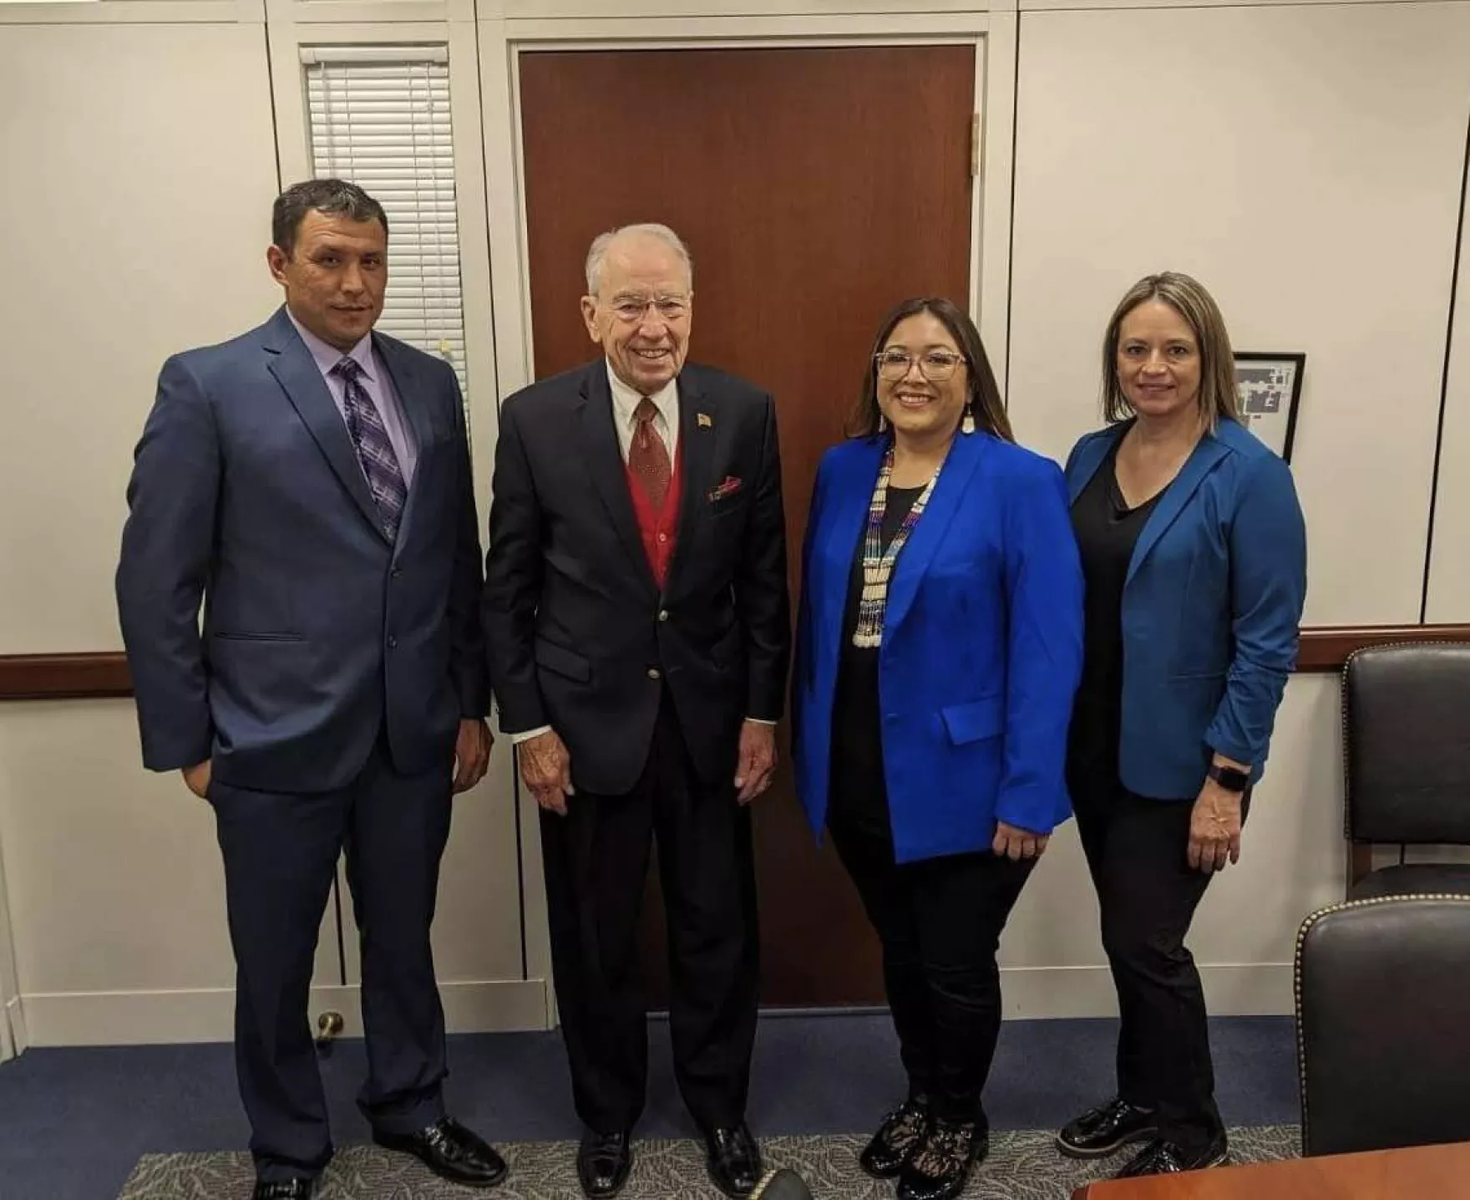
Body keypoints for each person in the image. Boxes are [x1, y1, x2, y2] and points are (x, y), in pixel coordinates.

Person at [116, 179, 504, 1200]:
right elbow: (157, 577)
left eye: (372, 260)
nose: (355, 281)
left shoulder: (428, 383)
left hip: (411, 732)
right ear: (279, 262)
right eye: (331, 259)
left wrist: (471, 698)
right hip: (265, 737)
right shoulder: (208, 384)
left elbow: (450, 558)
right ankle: (289, 1146)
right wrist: (187, 739)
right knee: (275, 960)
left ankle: (413, 1103)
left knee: (403, 940)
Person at [481, 224, 790, 1200]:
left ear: (692, 311)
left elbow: (765, 583)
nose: (654, 327)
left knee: (717, 932)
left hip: (706, 728)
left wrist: (761, 714)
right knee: (595, 936)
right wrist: (527, 728)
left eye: (671, 305)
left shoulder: (743, 414)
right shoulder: (534, 421)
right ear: (591, 315)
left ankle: (719, 1109)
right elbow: (507, 593)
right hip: (580, 732)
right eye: (631, 304)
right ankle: (606, 1114)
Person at [791, 297, 1084, 1200]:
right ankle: (922, 1094)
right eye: (896, 357)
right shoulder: (843, 471)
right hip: (857, 765)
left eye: (938, 358)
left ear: (971, 378)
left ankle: (960, 1115)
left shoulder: (1019, 481)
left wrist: (1031, 792)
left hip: (970, 774)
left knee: (956, 957)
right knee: (903, 948)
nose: (913, 375)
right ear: (875, 375)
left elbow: (1048, 644)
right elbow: (819, 619)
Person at [1055, 272, 1306, 1178]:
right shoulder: (1087, 453)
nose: (1152, 367)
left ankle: (1194, 1133)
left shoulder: (1250, 475)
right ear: (1114, 360)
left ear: (1209, 358)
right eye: (1135, 349)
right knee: (1127, 935)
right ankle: (1142, 1096)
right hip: (1092, 750)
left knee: (1145, 942)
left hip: (1187, 763)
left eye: (1174, 349)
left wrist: (1227, 782)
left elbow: (1267, 643)